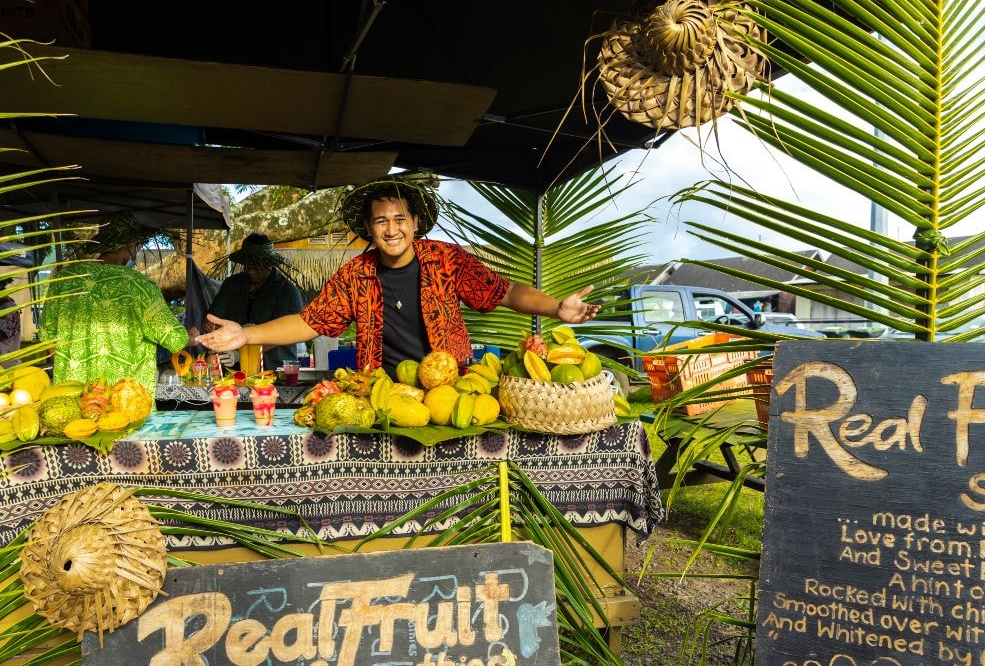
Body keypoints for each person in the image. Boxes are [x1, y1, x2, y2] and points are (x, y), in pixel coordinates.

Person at [195, 174, 600, 380]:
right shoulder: (355, 275)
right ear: (369, 230)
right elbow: (308, 322)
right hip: (382, 391)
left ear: (415, 222)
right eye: (381, 222)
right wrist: (247, 335)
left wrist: (555, 308)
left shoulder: (447, 260)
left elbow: (505, 292)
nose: (391, 230)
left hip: (451, 388)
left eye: (399, 219)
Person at [38, 212, 191, 399]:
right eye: (137, 246)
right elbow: (174, 338)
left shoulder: (65, 280)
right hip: (125, 401)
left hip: (74, 398)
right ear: (130, 245)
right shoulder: (138, 286)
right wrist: (191, 336)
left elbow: (48, 340)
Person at [205, 233, 306, 371]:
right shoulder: (232, 284)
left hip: (275, 370)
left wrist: (240, 352)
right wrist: (211, 326)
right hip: (232, 371)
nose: (251, 271)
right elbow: (212, 318)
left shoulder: (287, 291)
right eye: (248, 265)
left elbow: (288, 332)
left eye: (257, 266)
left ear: (269, 263)